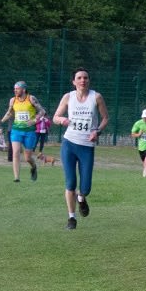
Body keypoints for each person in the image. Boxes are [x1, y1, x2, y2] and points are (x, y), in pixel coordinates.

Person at [53, 69, 111, 230]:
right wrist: (62, 120)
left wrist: (97, 131)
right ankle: (71, 218)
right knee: (70, 183)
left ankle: (81, 198)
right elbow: (55, 117)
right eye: (79, 78)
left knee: (85, 188)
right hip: (69, 143)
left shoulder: (96, 97)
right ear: (74, 81)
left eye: (85, 77)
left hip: (87, 146)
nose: (83, 80)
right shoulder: (68, 97)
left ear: (89, 80)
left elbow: (106, 118)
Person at [0, 81, 43, 182]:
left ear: (23, 89)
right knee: (16, 152)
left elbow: (42, 111)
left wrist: (34, 121)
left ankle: (34, 167)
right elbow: (9, 113)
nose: (15, 90)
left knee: (28, 158)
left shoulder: (31, 98)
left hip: (30, 132)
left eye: (17, 89)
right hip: (16, 130)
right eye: (14, 89)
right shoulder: (13, 100)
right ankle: (17, 178)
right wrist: (1, 121)